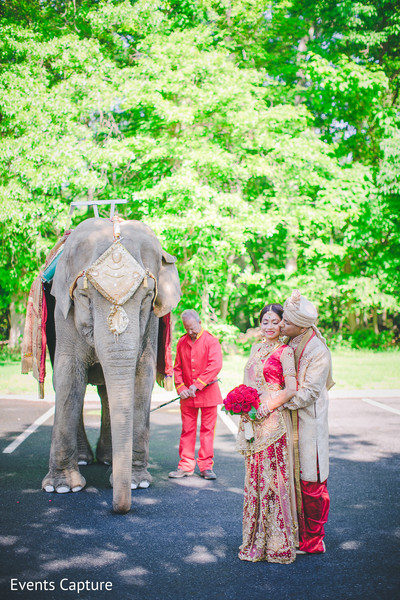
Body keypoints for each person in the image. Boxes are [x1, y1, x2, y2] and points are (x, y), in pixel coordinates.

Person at [268, 290, 334, 555]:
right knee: (290, 480)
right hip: (288, 421)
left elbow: (308, 393)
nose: (280, 325)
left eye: (285, 322)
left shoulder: (318, 350)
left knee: (311, 481)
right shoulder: (292, 341)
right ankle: (296, 534)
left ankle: (314, 541)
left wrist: (274, 403)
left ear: (301, 325)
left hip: (309, 425)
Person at [236, 303, 298, 564]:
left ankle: (276, 543)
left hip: (273, 423)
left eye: (274, 321)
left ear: (282, 323)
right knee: (255, 481)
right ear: (260, 324)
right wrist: (244, 406)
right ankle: (255, 542)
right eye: (265, 321)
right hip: (254, 423)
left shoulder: (285, 352)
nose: (270, 326)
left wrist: (266, 406)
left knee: (273, 482)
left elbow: (292, 388)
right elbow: (249, 382)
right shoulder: (255, 348)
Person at [169, 309, 223, 480]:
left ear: (199, 323)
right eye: (187, 329)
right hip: (187, 397)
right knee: (187, 430)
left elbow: (215, 365)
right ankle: (186, 465)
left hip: (208, 395)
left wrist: (198, 385)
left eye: (192, 328)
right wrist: (181, 387)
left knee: (207, 431)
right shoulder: (182, 342)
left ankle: (206, 466)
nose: (190, 332)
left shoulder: (211, 341)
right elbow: (177, 368)